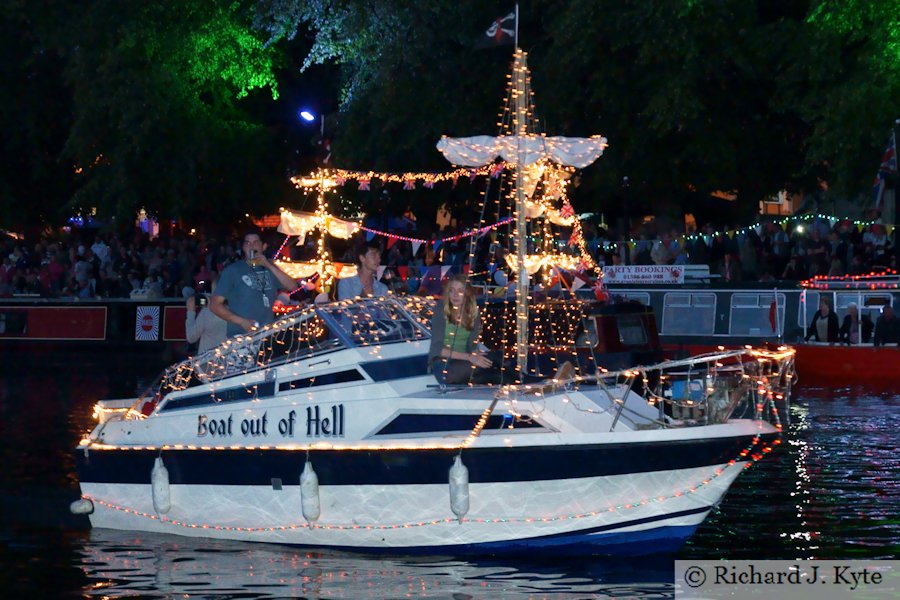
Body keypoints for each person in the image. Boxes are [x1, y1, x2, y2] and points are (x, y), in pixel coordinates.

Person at [210, 229, 297, 336]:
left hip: (266, 334)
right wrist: (241, 321)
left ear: (264, 246)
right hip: (240, 336)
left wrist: (268, 265)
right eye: (247, 243)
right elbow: (214, 305)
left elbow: (292, 286)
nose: (251, 246)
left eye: (256, 242)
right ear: (243, 248)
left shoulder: (271, 268)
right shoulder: (233, 270)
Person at [428, 274, 504, 385]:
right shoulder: (440, 310)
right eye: (451, 290)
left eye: (460, 291)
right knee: (490, 369)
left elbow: (472, 346)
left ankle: (516, 382)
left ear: (467, 293)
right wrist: (469, 357)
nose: (455, 295)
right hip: (443, 363)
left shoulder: (473, 313)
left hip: (465, 360)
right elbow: (438, 349)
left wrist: (476, 356)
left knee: (498, 359)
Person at [185, 282, 227, 353]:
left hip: (208, 359)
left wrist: (191, 312)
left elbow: (191, 337)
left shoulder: (207, 312)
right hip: (228, 359)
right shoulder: (239, 310)